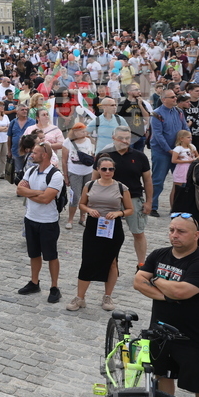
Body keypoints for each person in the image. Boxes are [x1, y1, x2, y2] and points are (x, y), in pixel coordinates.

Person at [134, 215, 199, 397]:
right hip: (161, 331)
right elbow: (138, 281)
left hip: (195, 337)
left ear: (196, 235)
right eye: (172, 230)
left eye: (181, 231)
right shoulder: (159, 254)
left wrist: (155, 279)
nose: (174, 235)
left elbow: (181, 292)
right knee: (162, 376)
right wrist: (167, 296)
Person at [66, 156, 133, 312]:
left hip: (112, 226)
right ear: (98, 169)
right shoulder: (89, 185)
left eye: (111, 169)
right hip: (93, 225)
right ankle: (80, 297)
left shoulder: (121, 187)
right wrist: (89, 210)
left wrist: (118, 213)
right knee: (88, 260)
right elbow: (82, 204)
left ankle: (107, 296)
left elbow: (130, 209)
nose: (107, 172)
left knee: (112, 261)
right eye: (104, 169)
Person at [16, 142, 63, 303]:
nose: (31, 155)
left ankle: (54, 287)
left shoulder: (55, 175)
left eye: (35, 153)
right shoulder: (31, 171)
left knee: (51, 255)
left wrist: (30, 193)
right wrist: (38, 192)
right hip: (31, 218)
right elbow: (19, 190)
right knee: (34, 253)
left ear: (44, 155)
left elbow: (46, 199)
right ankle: (34, 282)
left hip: (48, 221)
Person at [149, 89, 189, 218]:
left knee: (180, 180)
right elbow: (158, 135)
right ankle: (152, 206)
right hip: (161, 152)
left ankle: (177, 207)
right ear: (163, 99)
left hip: (178, 151)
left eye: (175, 96)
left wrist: (186, 146)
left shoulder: (179, 112)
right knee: (158, 180)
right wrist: (169, 150)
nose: (175, 98)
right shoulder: (156, 114)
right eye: (172, 97)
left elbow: (185, 128)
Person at [63, 122, 96, 230]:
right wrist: (66, 176)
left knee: (86, 196)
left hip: (88, 171)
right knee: (75, 196)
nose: (84, 133)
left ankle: (83, 218)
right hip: (74, 172)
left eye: (85, 131)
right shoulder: (67, 142)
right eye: (82, 131)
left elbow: (94, 154)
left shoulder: (89, 140)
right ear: (75, 131)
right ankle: (70, 219)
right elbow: (64, 160)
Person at [170, 130, 198, 207]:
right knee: (177, 188)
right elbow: (174, 160)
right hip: (181, 169)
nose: (190, 139)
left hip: (191, 168)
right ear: (181, 139)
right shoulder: (178, 148)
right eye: (188, 137)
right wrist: (187, 161)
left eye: (190, 137)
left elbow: (197, 156)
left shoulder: (192, 147)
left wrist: (194, 159)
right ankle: (173, 206)